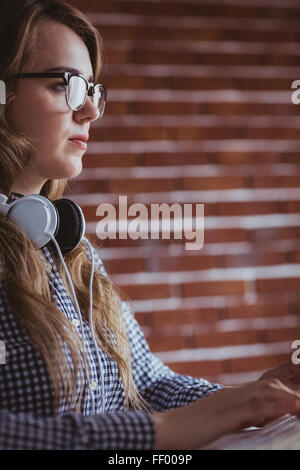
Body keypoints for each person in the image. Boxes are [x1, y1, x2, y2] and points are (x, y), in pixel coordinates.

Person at [0, 0, 299, 450]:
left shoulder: (71, 251)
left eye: (92, 90)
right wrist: (162, 434)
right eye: (67, 85)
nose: (90, 112)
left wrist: (248, 400)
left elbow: (147, 384)